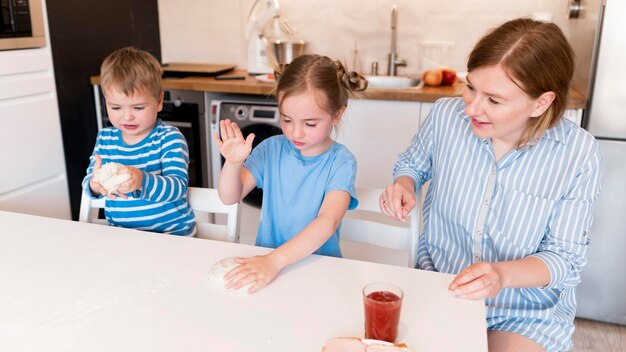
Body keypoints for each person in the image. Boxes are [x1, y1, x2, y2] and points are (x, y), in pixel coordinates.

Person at [380, 18, 602, 352]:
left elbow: (564, 258)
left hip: (523, 310)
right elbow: (412, 163)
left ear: (541, 102)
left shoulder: (577, 153)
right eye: (470, 87)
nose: (472, 107)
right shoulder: (445, 116)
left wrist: (500, 275)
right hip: (440, 283)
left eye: (494, 100)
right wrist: (404, 184)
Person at [214, 54, 367, 293]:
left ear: (337, 114)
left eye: (310, 123)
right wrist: (233, 163)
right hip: (266, 266)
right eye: (287, 119)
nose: (296, 132)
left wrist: (275, 261)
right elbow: (229, 196)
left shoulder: (341, 162)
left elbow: (327, 222)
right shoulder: (271, 149)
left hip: (319, 270)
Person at [82, 46, 195, 236]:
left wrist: (142, 180)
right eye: (116, 107)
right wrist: (94, 185)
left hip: (171, 236)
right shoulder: (105, 139)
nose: (127, 117)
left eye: (138, 108)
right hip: (123, 236)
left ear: (159, 102)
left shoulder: (169, 138)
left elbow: (177, 188)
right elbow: (89, 180)